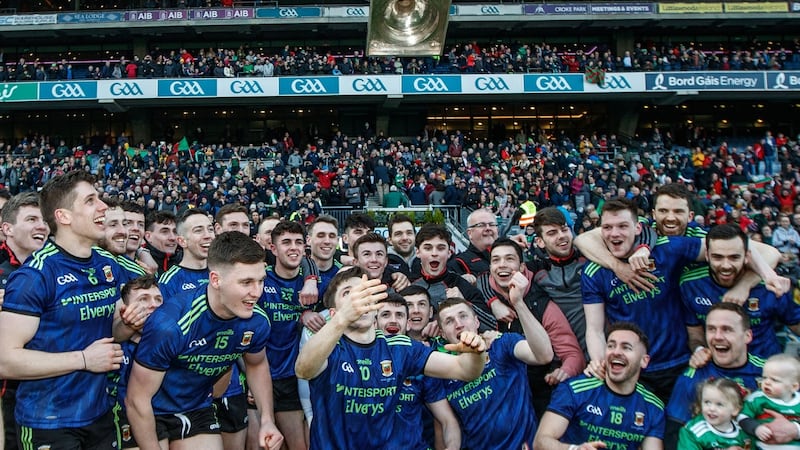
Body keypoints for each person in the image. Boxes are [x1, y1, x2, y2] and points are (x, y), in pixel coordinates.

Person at [0, 171, 143, 450]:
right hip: (48, 422)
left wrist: (126, 325)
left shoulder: (106, 263)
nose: (103, 206)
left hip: (100, 414)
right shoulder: (35, 276)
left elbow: (110, 333)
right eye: (91, 201)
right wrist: (83, 359)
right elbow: (6, 360)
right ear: (63, 216)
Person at [295, 267, 488, 449]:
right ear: (333, 313)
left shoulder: (399, 347)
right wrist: (342, 318)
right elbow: (304, 369)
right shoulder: (328, 346)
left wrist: (476, 353)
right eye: (349, 294)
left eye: (364, 293)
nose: (359, 300)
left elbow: (465, 370)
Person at [125, 231, 283, 450]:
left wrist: (267, 420)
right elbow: (137, 400)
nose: (257, 292)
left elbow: (256, 364)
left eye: (260, 281)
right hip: (150, 409)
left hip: (196, 406)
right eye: (246, 282)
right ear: (216, 280)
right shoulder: (171, 325)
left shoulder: (256, 321)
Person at [476, 237, 585, 418]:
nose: (502, 265)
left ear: (521, 267)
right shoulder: (478, 295)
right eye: (496, 260)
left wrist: (563, 372)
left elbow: (573, 354)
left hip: (537, 394)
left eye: (509, 259)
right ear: (490, 268)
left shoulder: (542, 303)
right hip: (493, 400)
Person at [437, 292, 553, 449]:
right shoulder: (443, 370)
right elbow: (445, 424)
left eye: (463, 316)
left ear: (477, 321)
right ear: (442, 334)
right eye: (449, 321)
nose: (459, 324)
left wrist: (519, 303)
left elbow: (544, 355)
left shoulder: (503, 344)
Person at [534, 322, 665, 450]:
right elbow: (541, 441)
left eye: (626, 347)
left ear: (644, 361)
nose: (616, 352)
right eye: (611, 346)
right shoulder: (574, 390)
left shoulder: (653, 407)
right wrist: (574, 449)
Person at [680, 224, 800, 360]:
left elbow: (796, 325)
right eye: (718, 257)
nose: (726, 265)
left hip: (765, 372)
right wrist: (700, 351)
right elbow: (695, 336)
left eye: (734, 257)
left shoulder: (771, 285)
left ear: (747, 256)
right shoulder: (691, 284)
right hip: (717, 372)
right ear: (706, 255)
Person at [665, 303, 766, 449]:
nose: (718, 337)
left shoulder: (768, 372)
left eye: (727, 329)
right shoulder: (692, 377)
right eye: (711, 329)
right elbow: (674, 435)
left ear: (747, 336)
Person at [375, 294, 462, 450]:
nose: (393, 320)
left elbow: (447, 421)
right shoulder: (357, 359)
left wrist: (452, 447)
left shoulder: (422, 363)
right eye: (385, 315)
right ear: (374, 323)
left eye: (399, 315)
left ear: (408, 324)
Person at [0, 192, 48, 450]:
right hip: (8, 392)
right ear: (7, 228)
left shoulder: (52, 267)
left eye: (43, 219)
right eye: (31, 219)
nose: (41, 225)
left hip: (48, 387)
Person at [259, 220, 310, 450]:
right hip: (262, 376)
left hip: (294, 378)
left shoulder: (312, 283)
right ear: (273, 248)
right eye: (286, 242)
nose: (293, 247)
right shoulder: (261, 280)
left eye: (298, 242)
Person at [110, 275, 164, 450]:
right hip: (119, 421)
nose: (153, 305)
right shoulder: (113, 346)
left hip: (162, 415)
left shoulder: (170, 344)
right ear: (124, 309)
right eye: (143, 299)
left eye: (158, 299)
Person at [411, 224, 496, 331]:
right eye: (428, 248)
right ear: (418, 252)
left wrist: (463, 303)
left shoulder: (462, 285)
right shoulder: (409, 284)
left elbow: (492, 326)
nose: (434, 253)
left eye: (440, 248)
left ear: (449, 252)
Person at [739, 353, 800, 448]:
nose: (767, 382)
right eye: (764, 378)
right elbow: (742, 417)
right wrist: (756, 428)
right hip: (762, 446)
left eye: (774, 380)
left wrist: (797, 429)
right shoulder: (757, 398)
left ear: (794, 387)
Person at [678, 378, 753, 450]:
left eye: (719, 404)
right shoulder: (693, 431)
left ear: (735, 409)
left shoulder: (742, 430)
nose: (711, 408)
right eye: (707, 402)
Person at [158, 210, 214, 299]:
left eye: (210, 229)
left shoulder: (220, 272)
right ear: (182, 241)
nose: (208, 235)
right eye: (198, 230)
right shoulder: (169, 281)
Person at [450, 208, 497, 280]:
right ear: (470, 233)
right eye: (481, 225)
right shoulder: (458, 263)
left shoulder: (509, 256)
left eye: (492, 224)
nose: (488, 228)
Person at [143, 211, 180, 276]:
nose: (173, 238)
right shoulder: (140, 264)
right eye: (165, 232)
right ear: (148, 236)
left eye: (175, 232)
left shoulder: (184, 261)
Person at [386, 214, 420, 279]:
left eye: (409, 233)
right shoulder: (381, 261)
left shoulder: (426, 258)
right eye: (398, 234)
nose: (405, 238)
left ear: (415, 236)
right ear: (390, 240)